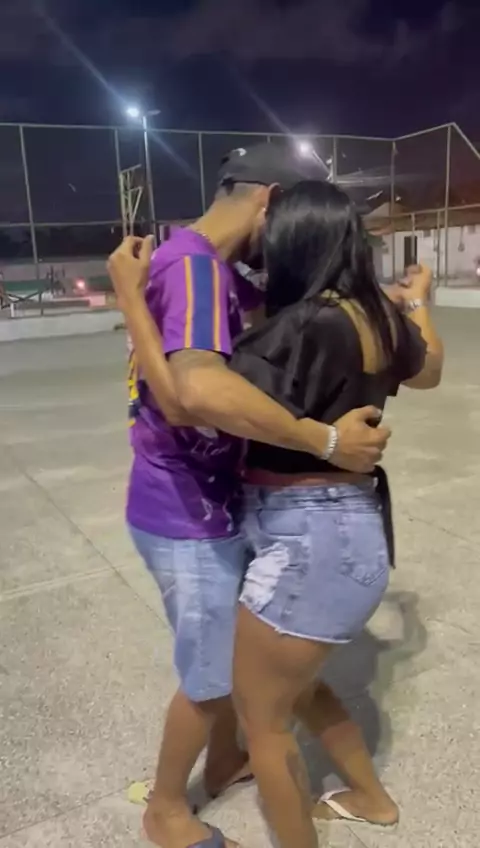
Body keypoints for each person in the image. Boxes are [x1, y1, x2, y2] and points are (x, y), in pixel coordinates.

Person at [108, 145, 392, 848]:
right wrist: (323, 440)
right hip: (185, 508)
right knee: (211, 676)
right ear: (270, 201)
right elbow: (193, 396)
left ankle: (223, 762)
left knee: (239, 663)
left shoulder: (218, 272)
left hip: (208, 499)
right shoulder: (197, 267)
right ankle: (167, 811)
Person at [226, 181, 443, 848]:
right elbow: (429, 368)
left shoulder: (303, 325)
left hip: (308, 537)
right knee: (298, 689)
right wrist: (419, 302)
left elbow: (207, 397)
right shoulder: (375, 317)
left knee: (262, 724)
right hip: (349, 529)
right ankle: (370, 799)